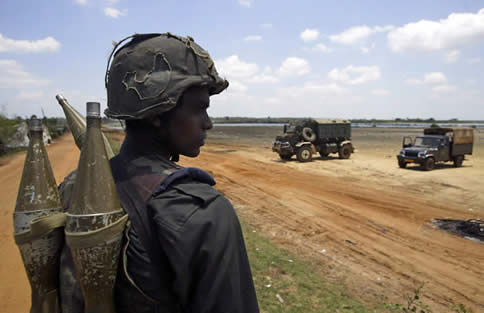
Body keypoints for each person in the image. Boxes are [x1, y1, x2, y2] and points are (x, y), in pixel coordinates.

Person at [104, 33, 259, 313]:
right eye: (199, 108)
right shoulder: (202, 213)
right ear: (156, 111)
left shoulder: (75, 186)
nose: (208, 123)